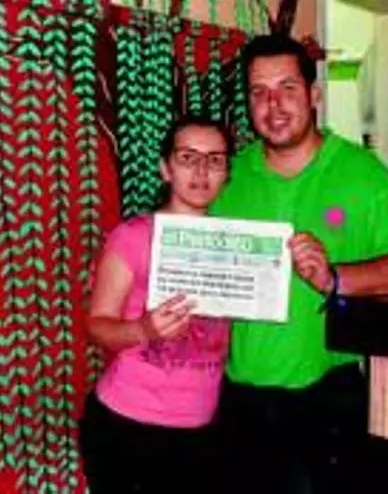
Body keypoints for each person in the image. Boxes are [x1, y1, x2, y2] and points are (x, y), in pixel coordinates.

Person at [209, 34, 388, 494]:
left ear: (314, 94)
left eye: (287, 88)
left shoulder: (363, 174)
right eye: (259, 92)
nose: (273, 105)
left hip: (326, 398)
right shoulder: (230, 175)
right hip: (238, 395)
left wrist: (335, 277)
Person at [79, 116, 233, 494]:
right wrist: (143, 329)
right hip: (128, 427)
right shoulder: (132, 236)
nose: (201, 171)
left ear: (227, 173)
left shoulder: (235, 243)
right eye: (187, 157)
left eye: (214, 160)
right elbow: (96, 326)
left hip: (202, 428)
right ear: (166, 169)